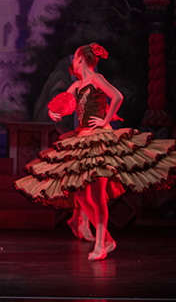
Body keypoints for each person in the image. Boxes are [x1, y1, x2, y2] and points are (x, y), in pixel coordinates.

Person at [15, 43, 176, 260]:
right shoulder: (77, 85)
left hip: (99, 140)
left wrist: (106, 119)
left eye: (74, 58)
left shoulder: (96, 80)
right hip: (81, 139)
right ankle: (106, 238)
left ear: (80, 59)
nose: (72, 62)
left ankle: (101, 244)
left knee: (98, 194)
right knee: (80, 192)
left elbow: (117, 96)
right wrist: (55, 113)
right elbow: (62, 103)